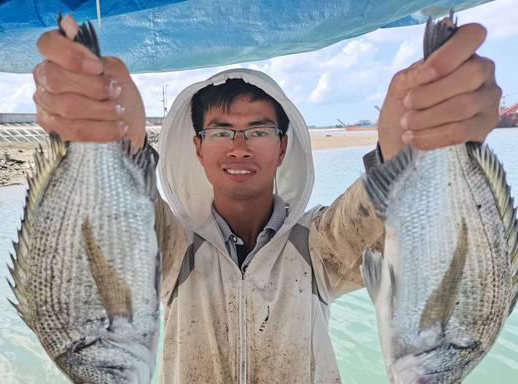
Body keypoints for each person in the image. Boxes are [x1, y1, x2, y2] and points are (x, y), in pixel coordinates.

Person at [32, 15, 501, 383]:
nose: (239, 145)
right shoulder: (172, 248)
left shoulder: (317, 246)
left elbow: (380, 215)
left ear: (282, 146)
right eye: (221, 131)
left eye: (258, 130)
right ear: (196, 146)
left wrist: (411, 148)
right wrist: (110, 140)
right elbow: (120, 214)